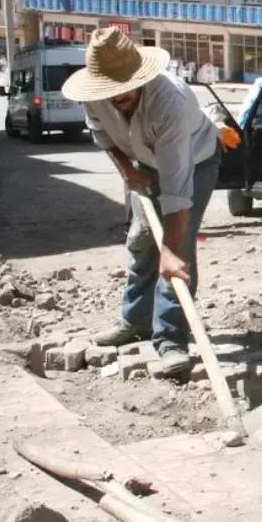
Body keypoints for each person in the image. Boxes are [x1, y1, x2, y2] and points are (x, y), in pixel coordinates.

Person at [66, 27, 222, 379]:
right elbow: (102, 134)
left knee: (175, 247)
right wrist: (126, 171)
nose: (117, 96)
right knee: (141, 241)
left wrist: (171, 250)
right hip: (142, 161)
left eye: (124, 87)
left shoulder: (171, 103)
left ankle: (171, 340)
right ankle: (135, 321)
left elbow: (177, 188)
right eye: (110, 90)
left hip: (195, 162)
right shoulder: (95, 93)